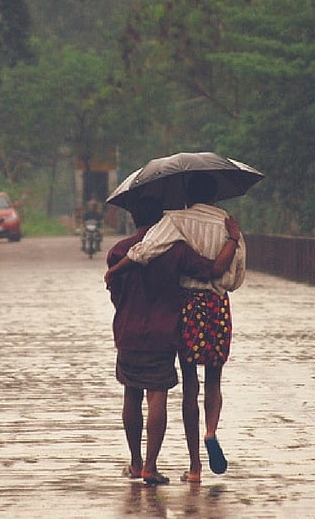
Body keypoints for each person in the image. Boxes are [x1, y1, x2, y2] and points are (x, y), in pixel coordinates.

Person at [105, 172, 246, 482]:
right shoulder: (222, 227)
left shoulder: (163, 230)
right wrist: (232, 240)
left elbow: (136, 261)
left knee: (159, 390)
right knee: (204, 382)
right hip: (201, 312)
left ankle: (167, 465)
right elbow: (229, 275)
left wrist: (115, 270)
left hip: (151, 323)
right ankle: (205, 436)